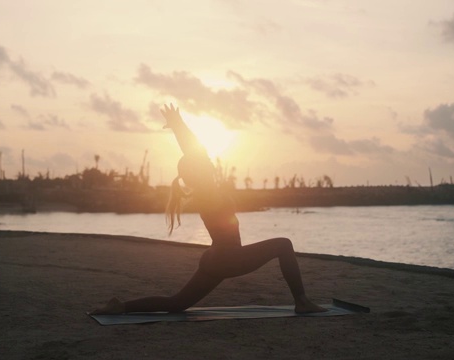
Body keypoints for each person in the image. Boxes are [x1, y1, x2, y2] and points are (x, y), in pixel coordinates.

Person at [90, 104, 326, 315]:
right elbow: (195, 151)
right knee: (283, 245)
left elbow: (196, 155)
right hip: (229, 257)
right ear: (199, 171)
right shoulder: (206, 191)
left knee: (176, 304)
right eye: (205, 164)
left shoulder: (205, 190)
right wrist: (179, 126)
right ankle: (302, 302)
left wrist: (177, 126)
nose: (210, 162)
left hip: (217, 257)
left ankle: (121, 307)